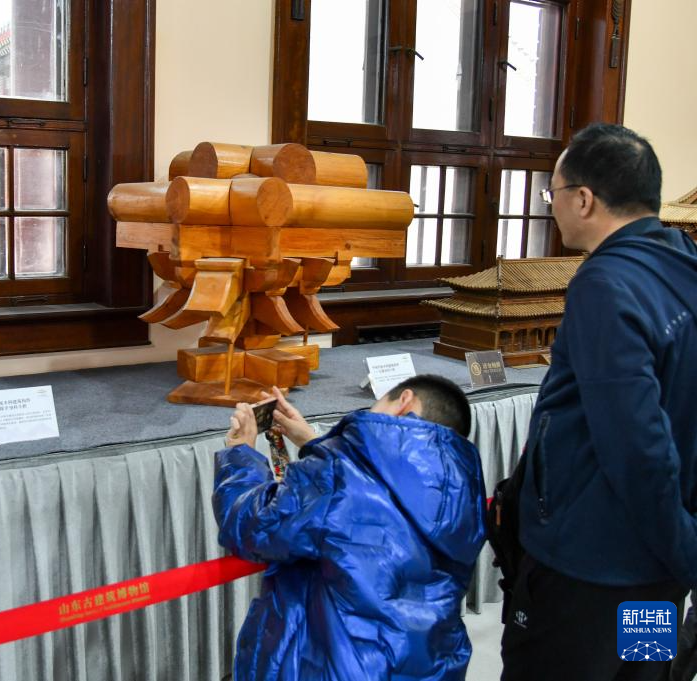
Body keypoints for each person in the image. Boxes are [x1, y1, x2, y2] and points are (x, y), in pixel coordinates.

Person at [500, 123, 697, 681]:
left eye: (553, 192)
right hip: (656, 572)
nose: (552, 206)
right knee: (641, 672)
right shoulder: (682, 264)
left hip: (591, 571)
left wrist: (685, 551)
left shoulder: (606, 283)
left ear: (583, 199)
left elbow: (637, 445)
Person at [213, 375, 487, 680]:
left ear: (404, 401)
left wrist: (240, 453)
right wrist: (315, 444)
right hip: (428, 664)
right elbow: (378, 483)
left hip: (337, 664)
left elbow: (250, 524)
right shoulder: (464, 488)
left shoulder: (336, 473)